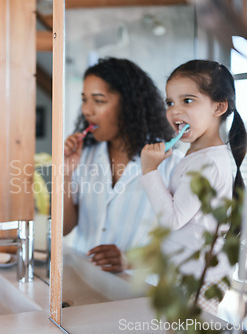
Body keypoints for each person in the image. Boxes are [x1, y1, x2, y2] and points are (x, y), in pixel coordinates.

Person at [140, 59, 247, 313]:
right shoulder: (201, 156)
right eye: (170, 102)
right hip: (188, 279)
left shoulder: (207, 162)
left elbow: (172, 219)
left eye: (187, 100)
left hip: (194, 285)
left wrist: (149, 170)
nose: (175, 111)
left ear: (219, 107)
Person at [63, 57, 180, 273]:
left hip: (136, 293)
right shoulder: (84, 156)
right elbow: (63, 227)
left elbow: (180, 244)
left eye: (98, 100)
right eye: (84, 99)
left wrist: (129, 260)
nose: (87, 110)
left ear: (129, 104)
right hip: (84, 281)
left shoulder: (169, 164)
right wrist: (65, 175)